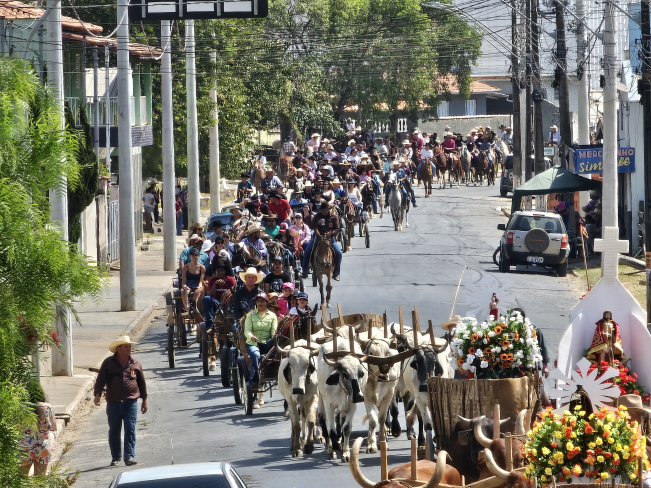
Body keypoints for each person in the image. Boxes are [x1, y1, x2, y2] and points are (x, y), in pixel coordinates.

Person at [93, 335, 147, 466]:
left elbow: (142, 383)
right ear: (118, 349)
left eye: (129, 346)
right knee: (114, 430)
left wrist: (144, 400)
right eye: (126, 346)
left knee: (130, 429)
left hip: (131, 403)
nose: (129, 348)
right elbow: (100, 379)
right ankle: (116, 457)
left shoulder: (135, 363)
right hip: (113, 403)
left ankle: (129, 456)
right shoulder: (108, 363)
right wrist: (97, 394)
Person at [244, 291, 278, 407]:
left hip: (267, 344)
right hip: (253, 343)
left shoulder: (272, 316)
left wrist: (274, 337)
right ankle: (254, 380)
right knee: (255, 355)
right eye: (258, 301)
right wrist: (251, 336)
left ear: (266, 302)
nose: (260, 303)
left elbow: (273, 331)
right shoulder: (251, 315)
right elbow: (247, 330)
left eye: (262, 301)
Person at [19, 384, 57, 476]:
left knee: (21, 478)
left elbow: (17, 426)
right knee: (40, 478)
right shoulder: (47, 407)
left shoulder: (22, 407)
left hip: (25, 444)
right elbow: (53, 427)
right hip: (43, 445)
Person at [301, 201, 343, 281]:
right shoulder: (317, 216)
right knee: (307, 251)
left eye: (324, 210)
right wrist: (317, 223)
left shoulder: (334, 217)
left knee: (339, 253)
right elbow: (311, 226)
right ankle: (304, 271)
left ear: (328, 209)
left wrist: (330, 234)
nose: (323, 212)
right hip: (318, 237)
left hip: (330, 238)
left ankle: (336, 273)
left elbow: (337, 229)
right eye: (322, 210)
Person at [181, 247, 205, 313]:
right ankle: (187, 307)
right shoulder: (185, 267)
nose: (194, 257)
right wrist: (185, 286)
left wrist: (199, 286)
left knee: (201, 292)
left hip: (197, 285)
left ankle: (199, 308)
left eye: (196, 255)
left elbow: (201, 281)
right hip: (188, 285)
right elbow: (183, 281)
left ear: (198, 256)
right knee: (183, 291)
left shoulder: (202, 267)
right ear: (190, 256)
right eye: (192, 255)